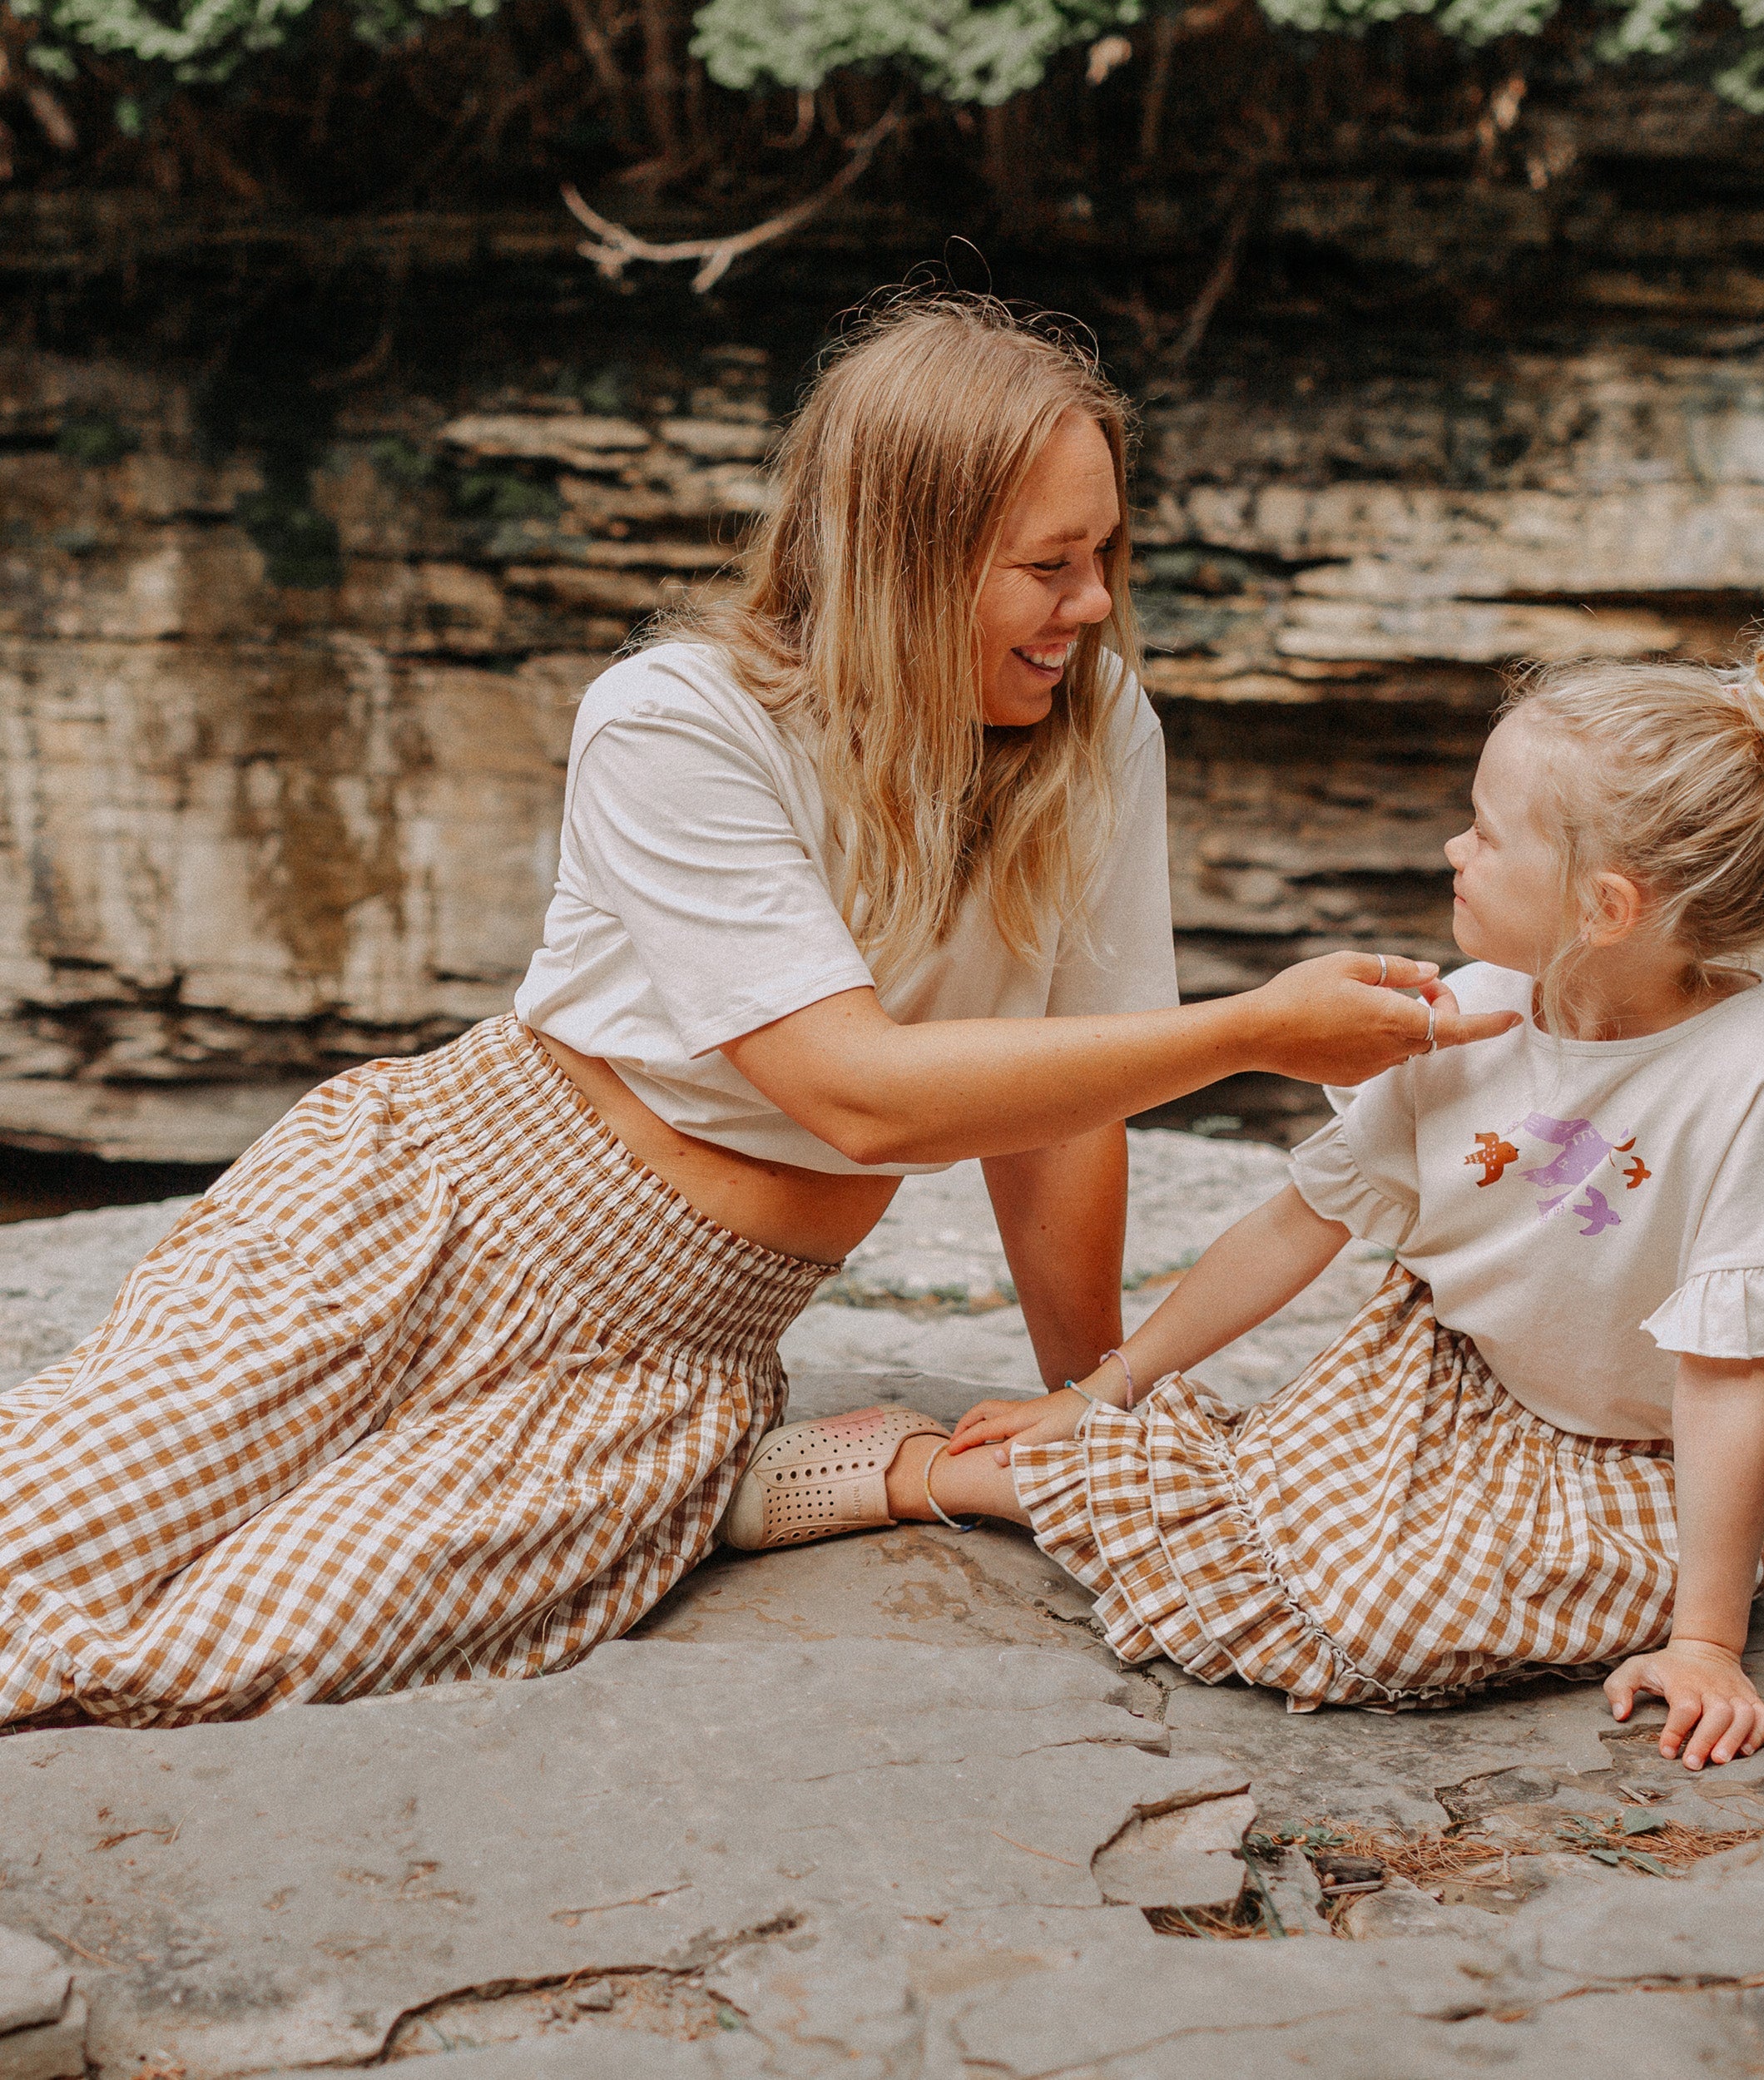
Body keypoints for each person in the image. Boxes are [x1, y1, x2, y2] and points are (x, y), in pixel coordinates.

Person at [0, 294, 1513, 1730]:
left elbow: (1060, 1111)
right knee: (37, 1551)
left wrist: (1084, 1403)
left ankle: (845, 1471)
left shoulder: (1095, 723)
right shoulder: (679, 719)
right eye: (1048, 566)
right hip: (420, 1231)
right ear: (908, 559)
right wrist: (1253, 1029)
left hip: (665, 1359)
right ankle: (822, 1479)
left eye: (1104, 553)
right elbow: (855, 1094)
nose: (1093, 603)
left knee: (230, 1652)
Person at [741, 594, 1764, 1775]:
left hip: (1627, 1453)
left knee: (1403, 1620)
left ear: (1604, 907)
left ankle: (1012, 1485)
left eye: (1487, 833)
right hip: (1433, 1382)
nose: (1452, 852)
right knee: (1262, 1508)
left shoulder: (1740, 1071)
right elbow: (1296, 1224)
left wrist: (1707, 1642)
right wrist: (1104, 1387)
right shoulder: (1465, 1017)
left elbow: (1727, 1377)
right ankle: (941, 1474)